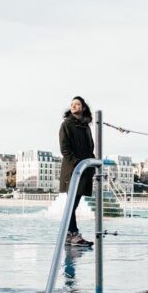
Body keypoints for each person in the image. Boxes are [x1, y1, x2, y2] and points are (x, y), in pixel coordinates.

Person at [59, 96, 95, 247]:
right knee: (71, 204)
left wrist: (92, 165)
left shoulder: (85, 126)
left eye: (77, 104)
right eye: (72, 104)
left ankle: (70, 234)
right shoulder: (66, 124)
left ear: (83, 107)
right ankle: (72, 234)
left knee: (74, 204)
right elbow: (65, 148)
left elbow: (90, 147)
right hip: (73, 171)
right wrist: (77, 164)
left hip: (84, 170)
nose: (74, 106)